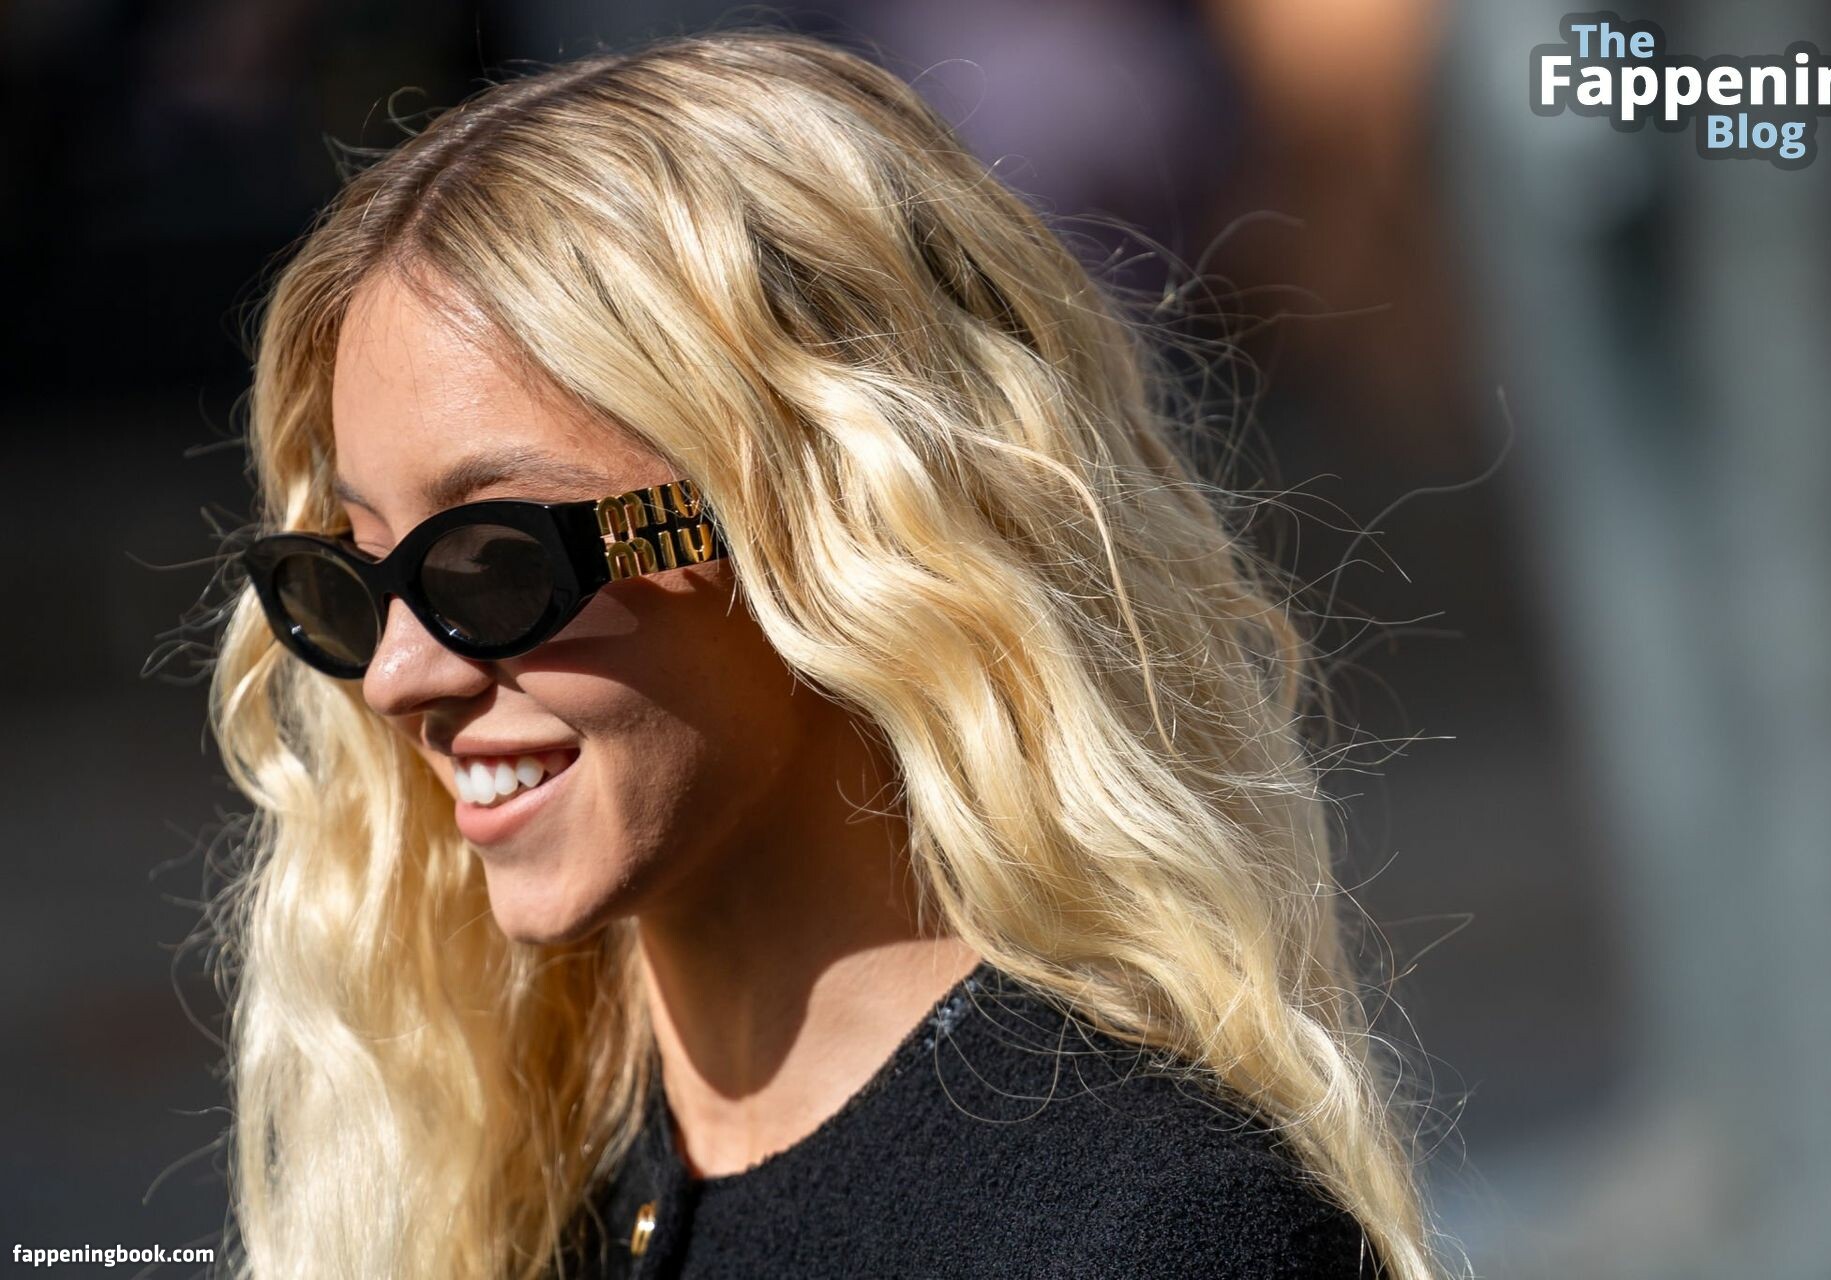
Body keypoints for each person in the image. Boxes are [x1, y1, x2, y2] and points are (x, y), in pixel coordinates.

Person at [203, 29, 1447, 1280]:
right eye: (352, 576)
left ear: (836, 523)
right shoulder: (499, 1191)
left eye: (491, 562)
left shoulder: (1160, 1237)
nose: (397, 676)